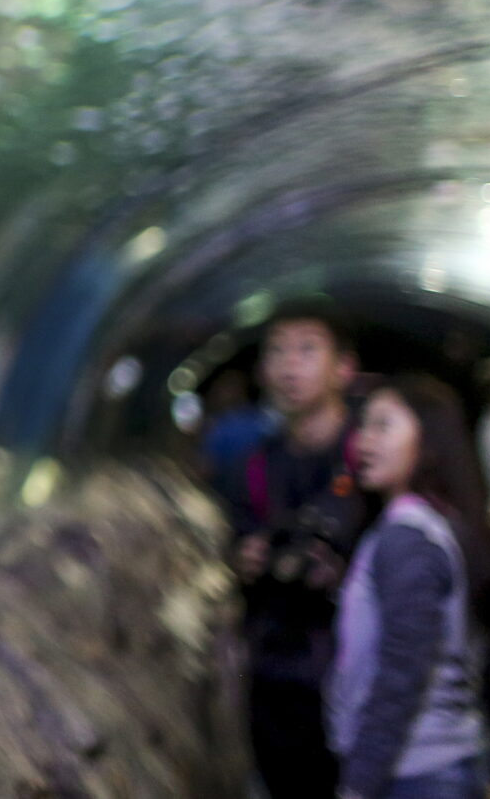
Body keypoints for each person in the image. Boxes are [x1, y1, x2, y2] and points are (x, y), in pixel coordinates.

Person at [218, 302, 369, 799]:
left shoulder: (373, 461)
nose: (289, 366)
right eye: (277, 351)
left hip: (361, 677)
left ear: (343, 367)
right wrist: (247, 560)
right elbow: (237, 547)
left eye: (307, 349)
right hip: (280, 676)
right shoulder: (254, 468)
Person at [330, 374, 490, 799]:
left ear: (427, 443)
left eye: (383, 425)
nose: (364, 440)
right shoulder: (434, 522)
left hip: (416, 773)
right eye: (363, 425)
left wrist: (359, 783)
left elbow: (402, 674)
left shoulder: (407, 537)